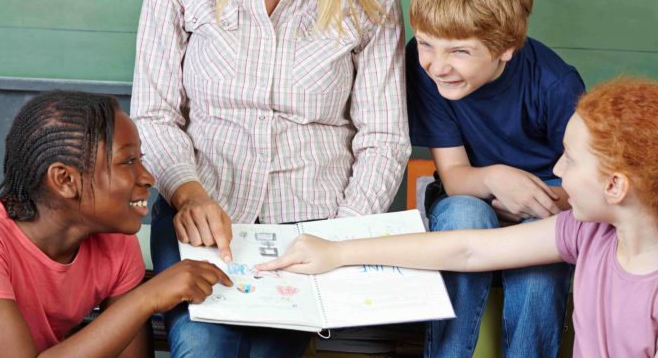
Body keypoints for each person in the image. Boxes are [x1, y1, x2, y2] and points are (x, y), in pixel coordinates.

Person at [130, 0, 410, 356]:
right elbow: (153, 113)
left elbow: (385, 139)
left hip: (313, 229)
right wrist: (189, 194)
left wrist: (339, 236)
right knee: (201, 345)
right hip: (201, 218)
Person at [259, 77, 658, 358]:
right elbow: (467, 249)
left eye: (570, 158)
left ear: (615, 187)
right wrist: (337, 251)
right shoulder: (586, 232)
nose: (556, 165)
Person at [0, 91, 231, 358]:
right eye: (128, 161)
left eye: (141, 160)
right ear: (65, 180)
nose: (147, 177)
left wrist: (144, 299)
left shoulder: (117, 243)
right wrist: (148, 297)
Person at [403, 0, 586, 357]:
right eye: (428, 43)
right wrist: (495, 179)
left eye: (460, 51)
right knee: (464, 213)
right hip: (471, 191)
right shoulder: (427, 70)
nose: (437, 64)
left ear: (506, 47)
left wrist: (539, 201)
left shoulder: (555, 85)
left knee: (538, 272)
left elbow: (586, 193)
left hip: (553, 197)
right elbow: (454, 175)